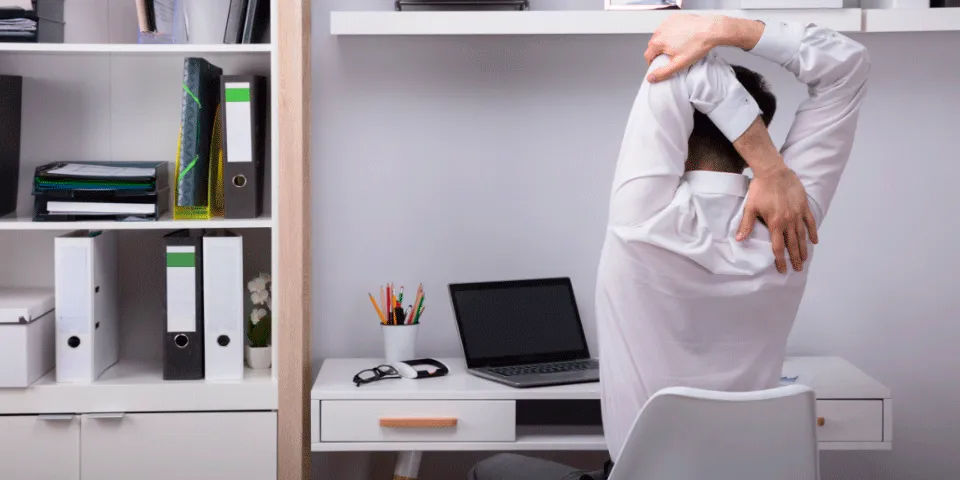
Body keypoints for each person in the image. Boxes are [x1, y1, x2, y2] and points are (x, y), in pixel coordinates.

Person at [469, 14, 870, 480]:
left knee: (492, 468)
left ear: (679, 135)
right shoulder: (793, 222)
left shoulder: (643, 216)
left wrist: (768, 166)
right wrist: (726, 32)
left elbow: (677, 67)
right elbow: (848, 65)